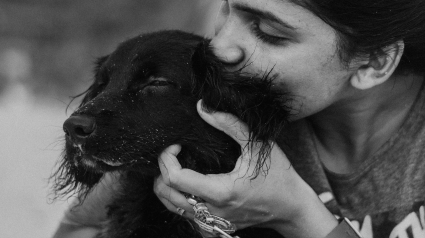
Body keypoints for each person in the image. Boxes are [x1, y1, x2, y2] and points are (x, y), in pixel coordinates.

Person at [53, 0, 425, 238]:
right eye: (228, 9)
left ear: (375, 62)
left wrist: (298, 216)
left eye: (270, 32)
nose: (218, 47)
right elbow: (79, 229)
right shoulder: (218, 117)